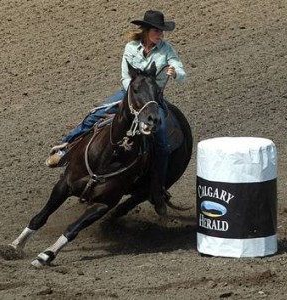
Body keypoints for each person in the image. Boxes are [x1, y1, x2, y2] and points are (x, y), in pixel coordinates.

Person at [46, 10, 186, 204]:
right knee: (95, 115)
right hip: (129, 94)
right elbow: (125, 77)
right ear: (146, 31)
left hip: (153, 99)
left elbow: (181, 71)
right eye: (157, 30)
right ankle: (65, 148)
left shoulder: (167, 50)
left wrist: (176, 72)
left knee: (162, 142)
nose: (161, 35)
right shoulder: (130, 48)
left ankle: (157, 188)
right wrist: (131, 99)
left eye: (162, 31)